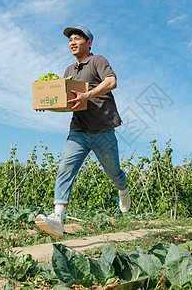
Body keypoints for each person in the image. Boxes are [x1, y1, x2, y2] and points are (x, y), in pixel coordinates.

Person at [35, 26, 131, 237]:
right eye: (70, 39)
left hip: (103, 129)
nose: (72, 42)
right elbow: (67, 102)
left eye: (77, 38)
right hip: (78, 130)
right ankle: (58, 219)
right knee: (65, 169)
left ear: (89, 43)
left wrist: (87, 95)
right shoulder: (69, 71)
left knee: (113, 171)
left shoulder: (98, 61)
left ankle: (123, 190)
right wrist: (47, 102)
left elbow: (111, 82)